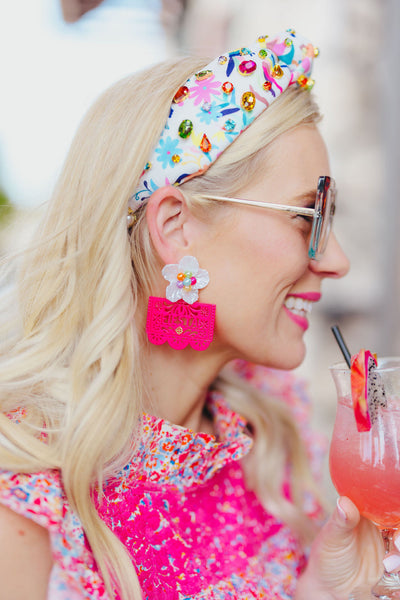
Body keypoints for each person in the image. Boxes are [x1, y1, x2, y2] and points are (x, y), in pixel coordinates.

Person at [0, 29, 389, 600]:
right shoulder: (26, 489)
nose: (337, 261)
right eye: (308, 216)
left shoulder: (272, 430)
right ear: (176, 228)